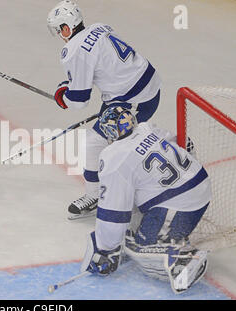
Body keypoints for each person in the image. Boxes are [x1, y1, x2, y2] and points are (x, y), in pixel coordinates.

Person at [47, 0, 162, 219]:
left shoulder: (73, 50)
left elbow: (79, 101)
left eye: (59, 29)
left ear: (66, 28)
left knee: (94, 142)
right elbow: (100, 67)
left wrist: (63, 97)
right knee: (118, 141)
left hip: (135, 99)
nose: (60, 35)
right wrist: (69, 87)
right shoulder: (99, 27)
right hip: (142, 85)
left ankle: (97, 195)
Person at [79, 106, 211, 294]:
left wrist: (105, 247)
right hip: (199, 183)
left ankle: (185, 259)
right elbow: (185, 143)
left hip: (181, 204)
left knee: (140, 248)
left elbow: (113, 212)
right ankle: (169, 234)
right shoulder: (146, 128)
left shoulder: (114, 157)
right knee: (134, 200)